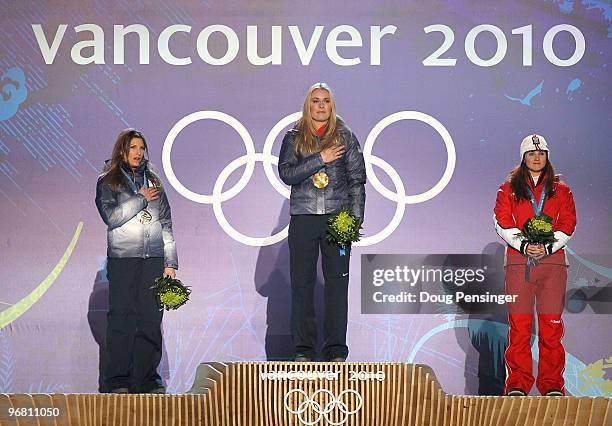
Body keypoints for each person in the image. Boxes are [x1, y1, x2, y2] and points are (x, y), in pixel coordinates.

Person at [278, 83, 366, 362]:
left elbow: (357, 181)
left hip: (336, 220)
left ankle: (336, 351)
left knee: (337, 287)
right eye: (315, 101)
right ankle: (303, 350)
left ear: (332, 105)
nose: (321, 106)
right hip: (304, 218)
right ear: (308, 105)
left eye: (326, 101)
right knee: (302, 286)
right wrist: (321, 158)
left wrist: (353, 220)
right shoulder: (294, 136)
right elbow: (287, 173)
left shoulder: (346, 136)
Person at [95, 128, 178, 393]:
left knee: (151, 319)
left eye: (141, 148)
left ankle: (147, 379)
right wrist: (140, 198)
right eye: (133, 148)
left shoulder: (154, 180)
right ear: (122, 150)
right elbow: (112, 217)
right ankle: (117, 379)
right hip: (123, 259)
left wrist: (170, 263)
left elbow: (166, 223)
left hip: (152, 258)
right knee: (122, 318)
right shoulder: (108, 181)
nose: (138, 153)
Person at [493, 134, 576, 396]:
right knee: (519, 326)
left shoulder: (562, 190)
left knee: (551, 327)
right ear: (523, 157)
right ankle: (518, 383)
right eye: (531, 153)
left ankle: (551, 384)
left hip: (553, 265)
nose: (536, 157)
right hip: (519, 264)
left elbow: (569, 223)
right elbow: (502, 220)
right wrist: (526, 246)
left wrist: (548, 246)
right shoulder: (508, 189)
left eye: (541, 153)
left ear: (547, 157)